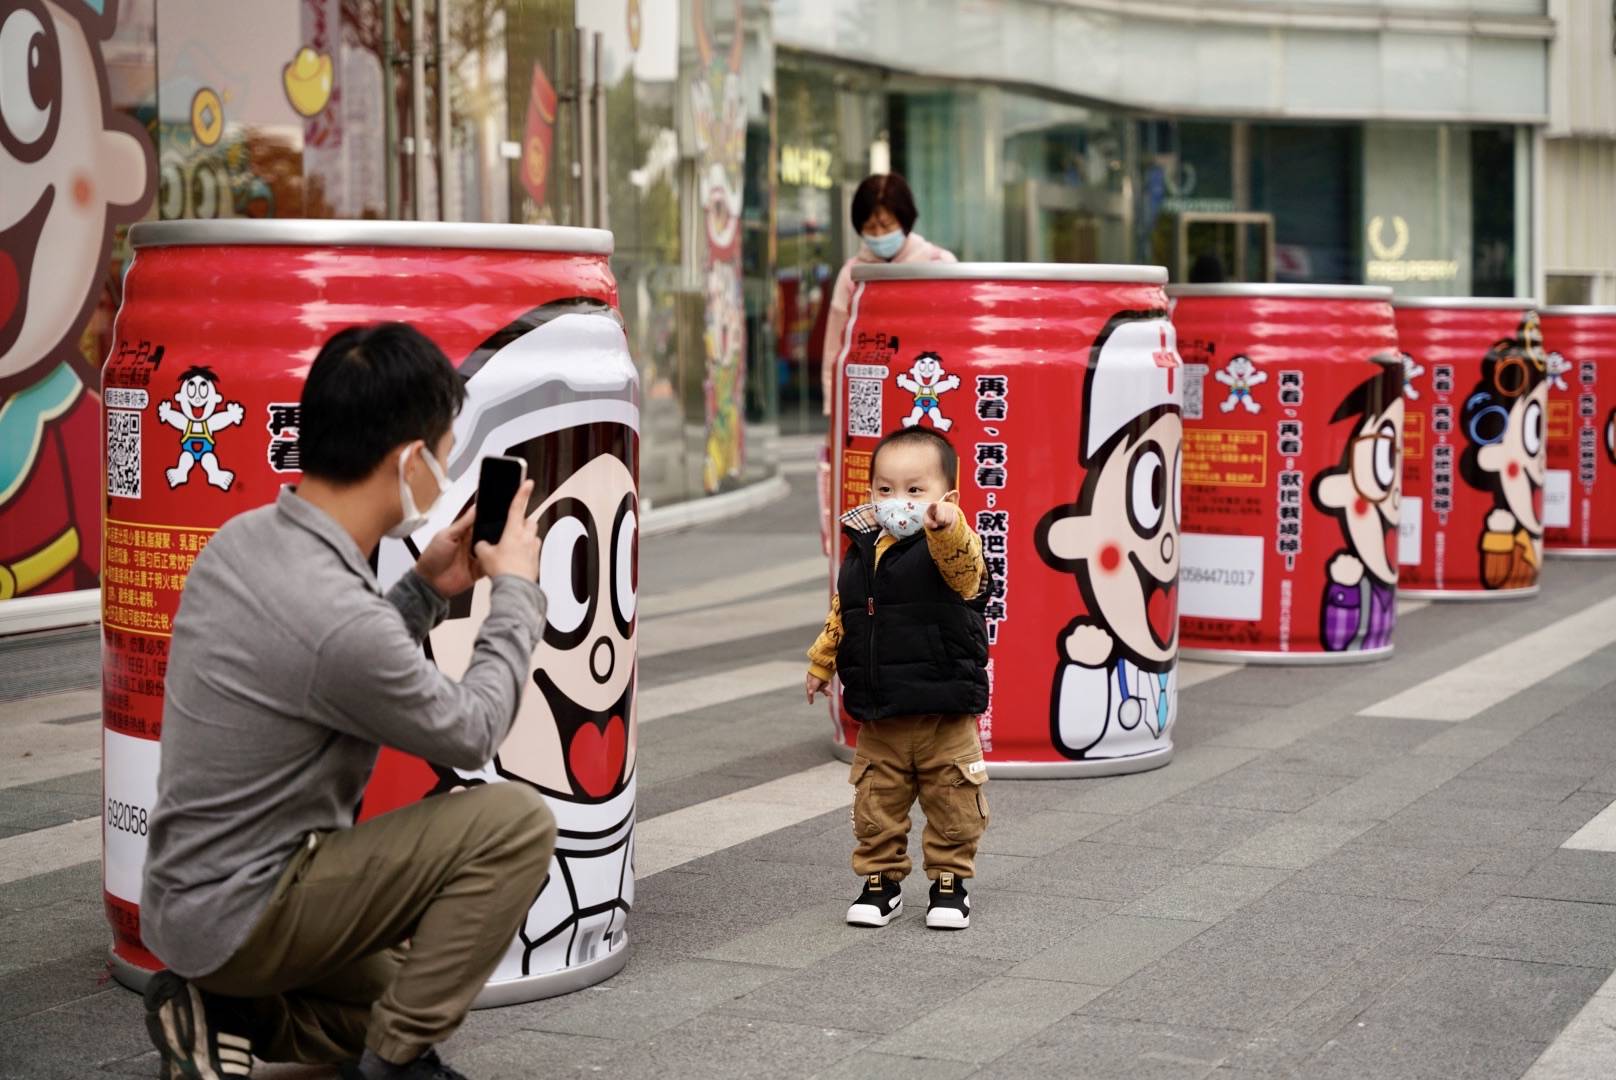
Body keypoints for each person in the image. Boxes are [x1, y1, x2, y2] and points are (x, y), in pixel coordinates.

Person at [140, 323, 554, 1080]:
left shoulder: (243, 540)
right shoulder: (335, 611)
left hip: (188, 899)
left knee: (408, 986)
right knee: (516, 824)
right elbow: (469, 731)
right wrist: (519, 591)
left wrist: (426, 589)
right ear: (410, 461)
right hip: (249, 907)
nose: (450, 464)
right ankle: (393, 1069)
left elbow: (326, 672)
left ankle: (224, 1013)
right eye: (446, 447)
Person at [805, 427, 991, 931]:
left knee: (951, 798)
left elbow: (968, 570)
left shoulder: (951, 546)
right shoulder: (863, 547)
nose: (897, 502)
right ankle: (881, 881)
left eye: (915, 490)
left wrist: (947, 527)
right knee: (876, 801)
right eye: (885, 489)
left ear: (946, 496)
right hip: (880, 708)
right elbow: (844, 611)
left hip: (942, 709)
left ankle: (950, 881)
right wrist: (823, 661)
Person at [820, 173, 956, 417]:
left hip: (928, 390)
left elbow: (956, 338)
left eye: (886, 225)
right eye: (870, 227)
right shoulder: (852, 274)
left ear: (904, 220)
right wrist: (833, 408)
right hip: (873, 393)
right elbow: (834, 349)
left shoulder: (939, 264)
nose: (879, 235)